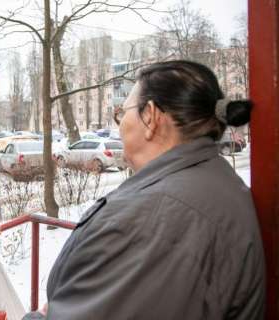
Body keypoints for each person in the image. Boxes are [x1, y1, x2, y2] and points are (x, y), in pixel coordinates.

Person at [23, 60, 265, 320]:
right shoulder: (209, 179)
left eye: (122, 112)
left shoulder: (154, 218)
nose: (120, 124)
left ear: (150, 116)